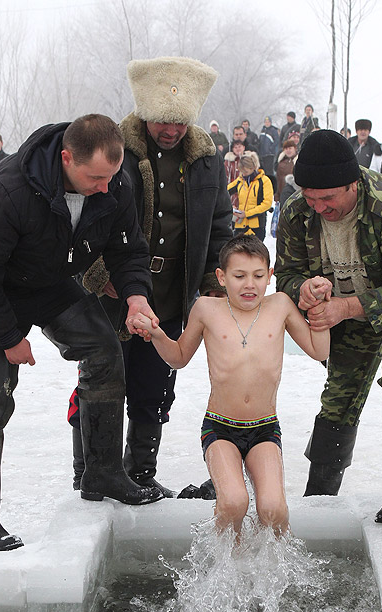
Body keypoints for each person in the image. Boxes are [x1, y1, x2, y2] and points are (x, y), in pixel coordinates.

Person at [0, 113, 163, 553]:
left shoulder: (114, 181)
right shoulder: (8, 189)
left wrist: (136, 297)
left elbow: (128, 251)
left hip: (51, 282)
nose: (106, 186)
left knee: (105, 355)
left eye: (111, 176)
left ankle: (102, 472)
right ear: (66, 158)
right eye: (95, 177)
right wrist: (9, 338)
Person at [73, 57, 233, 498]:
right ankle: (90, 472)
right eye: (164, 120)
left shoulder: (205, 160)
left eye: (180, 123)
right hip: (113, 289)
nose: (171, 130)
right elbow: (83, 216)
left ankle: (140, 472)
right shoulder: (116, 149)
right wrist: (98, 274)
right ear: (146, 112)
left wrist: (214, 284)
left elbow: (219, 225)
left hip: (171, 291)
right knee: (101, 376)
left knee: (155, 383)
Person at [275, 129, 382, 525]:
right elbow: (285, 273)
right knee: (341, 391)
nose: (318, 207)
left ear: (353, 183)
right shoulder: (297, 211)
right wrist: (302, 289)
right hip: (345, 302)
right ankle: (321, 489)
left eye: (328, 198)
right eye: (310, 197)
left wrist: (346, 307)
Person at [132, 233, 330, 536]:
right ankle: (224, 566)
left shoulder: (280, 306)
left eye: (258, 276)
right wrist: (157, 335)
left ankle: (277, 571)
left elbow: (320, 351)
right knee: (234, 502)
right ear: (222, 277)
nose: (249, 284)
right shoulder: (207, 309)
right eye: (239, 276)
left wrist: (320, 312)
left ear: (270, 276)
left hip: (264, 427)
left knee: (273, 508)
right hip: (220, 427)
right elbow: (179, 358)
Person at [227, 152, 273, 241]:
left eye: (246, 171)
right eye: (241, 171)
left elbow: (267, 204)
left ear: (253, 168)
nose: (243, 174)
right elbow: (225, 192)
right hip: (240, 225)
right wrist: (230, 207)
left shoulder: (264, 181)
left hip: (257, 226)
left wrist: (247, 214)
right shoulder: (239, 181)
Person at [258, 116, 279, 188]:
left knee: (269, 170)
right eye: (266, 122)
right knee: (263, 169)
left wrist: (271, 148)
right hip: (262, 153)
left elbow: (276, 141)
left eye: (268, 122)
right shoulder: (263, 130)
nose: (267, 123)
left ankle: (270, 184)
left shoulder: (273, 130)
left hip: (270, 154)